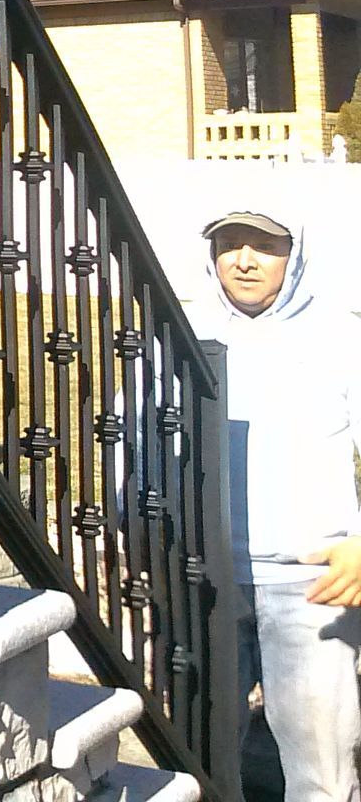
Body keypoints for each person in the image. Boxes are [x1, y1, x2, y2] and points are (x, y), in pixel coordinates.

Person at [190, 209, 361, 802]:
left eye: (263, 246)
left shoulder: (342, 334)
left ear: (295, 254)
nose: (243, 260)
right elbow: (136, 437)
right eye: (229, 244)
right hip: (207, 578)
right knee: (206, 755)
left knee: (322, 764)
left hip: (312, 580)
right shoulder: (181, 331)